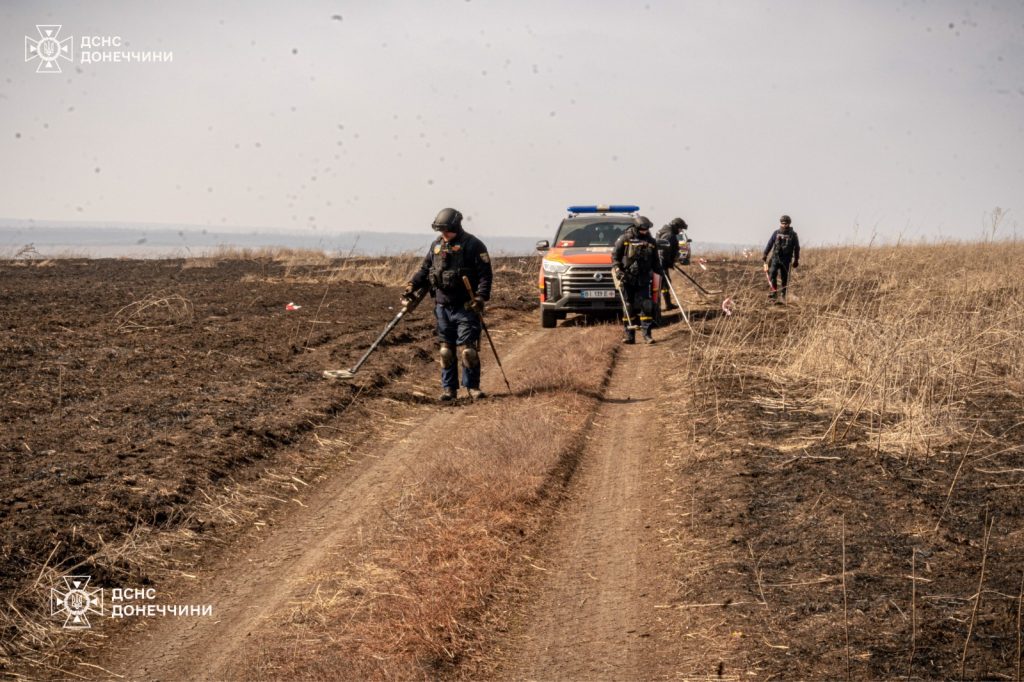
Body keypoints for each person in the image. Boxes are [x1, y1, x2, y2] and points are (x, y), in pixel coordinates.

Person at [405, 208, 493, 402]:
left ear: (455, 226)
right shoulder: (436, 246)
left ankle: (472, 387)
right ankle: (449, 390)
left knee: (468, 351)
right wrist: (412, 285)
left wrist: (481, 297)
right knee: (446, 351)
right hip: (443, 306)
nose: (443, 234)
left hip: (466, 306)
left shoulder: (473, 245)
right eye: (440, 230)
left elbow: (485, 275)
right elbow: (425, 269)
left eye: (445, 230)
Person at [612, 215, 664, 344]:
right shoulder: (624, 239)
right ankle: (629, 336)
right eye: (642, 229)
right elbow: (615, 258)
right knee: (628, 306)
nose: (644, 231)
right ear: (636, 227)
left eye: (646, 229)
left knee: (646, 305)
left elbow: (656, 261)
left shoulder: (651, 242)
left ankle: (647, 335)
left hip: (644, 278)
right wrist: (618, 270)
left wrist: (661, 272)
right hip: (627, 278)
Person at [762, 214, 801, 303]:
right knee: (772, 274)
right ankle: (774, 293)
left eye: (786, 223)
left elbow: (797, 248)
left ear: (789, 224)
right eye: (782, 223)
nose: (784, 225)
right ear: (780, 223)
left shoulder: (793, 235)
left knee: (785, 278)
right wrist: (765, 254)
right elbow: (770, 243)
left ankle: (783, 295)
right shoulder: (776, 233)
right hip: (775, 258)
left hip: (786, 260)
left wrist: (796, 260)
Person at [655, 217, 689, 311]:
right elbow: (664, 251)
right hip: (662, 263)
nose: (680, 230)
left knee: (665, 284)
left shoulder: (665, 230)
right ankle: (664, 305)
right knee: (663, 284)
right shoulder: (669, 235)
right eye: (680, 228)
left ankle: (667, 303)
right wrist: (668, 262)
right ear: (675, 226)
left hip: (662, 263)